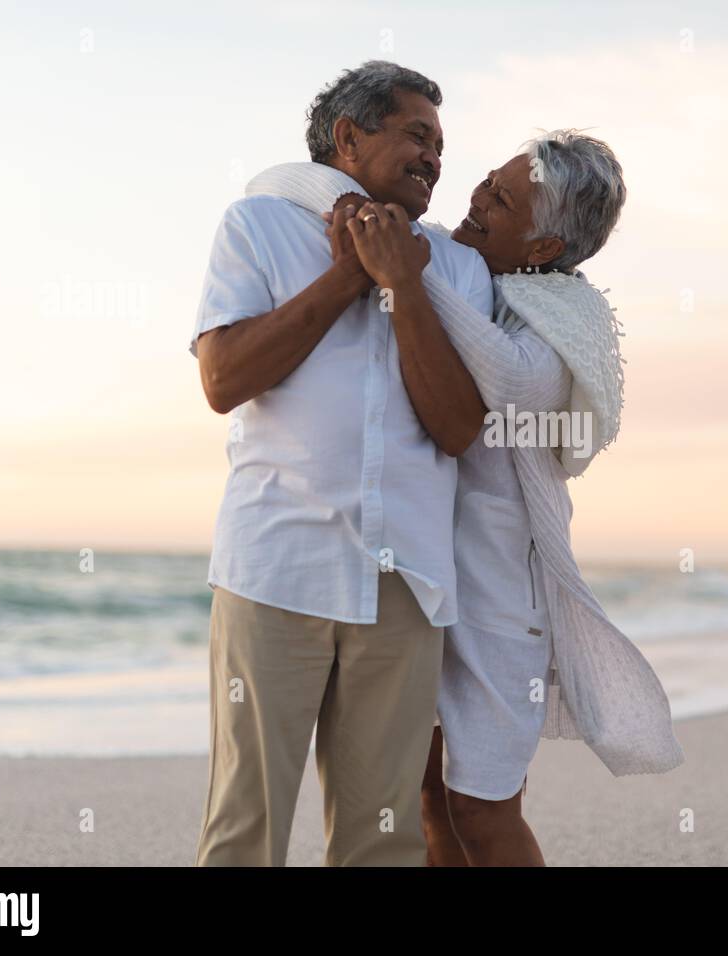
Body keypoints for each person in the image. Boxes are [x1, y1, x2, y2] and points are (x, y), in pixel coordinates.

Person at [247, 130, 685, 867]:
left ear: (544, 248)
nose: (477, 197)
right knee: (424, 800)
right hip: (422, 590)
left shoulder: (559, 319)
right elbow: (296, 189)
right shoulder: (464, 276)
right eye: (487, 180)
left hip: (500, 610)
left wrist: (404, 278)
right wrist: (348, 217)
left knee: (482, 809)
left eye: (504, 199)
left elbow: (510, 382)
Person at [191, 61, 491, 867]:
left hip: (406, 583)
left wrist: (400, 285)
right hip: (275, 566)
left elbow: (459, 427)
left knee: (382, 840)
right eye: (416, 136)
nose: (433, 158)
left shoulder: (456, 268)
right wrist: (346, 275)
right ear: (348, 139)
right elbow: (223, 380)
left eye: (439, 146)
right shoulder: (257, 225)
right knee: (244, 826)